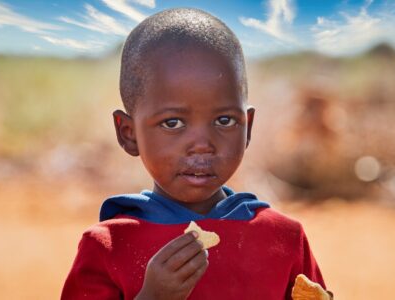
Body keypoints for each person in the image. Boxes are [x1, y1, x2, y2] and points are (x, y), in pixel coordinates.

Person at [61, 8, 330, 300]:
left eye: (224, 120)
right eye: (172, 123)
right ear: (129, 134)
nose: (202, 144)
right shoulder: (109, 247)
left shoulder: (284, 238)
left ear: (247, 127)